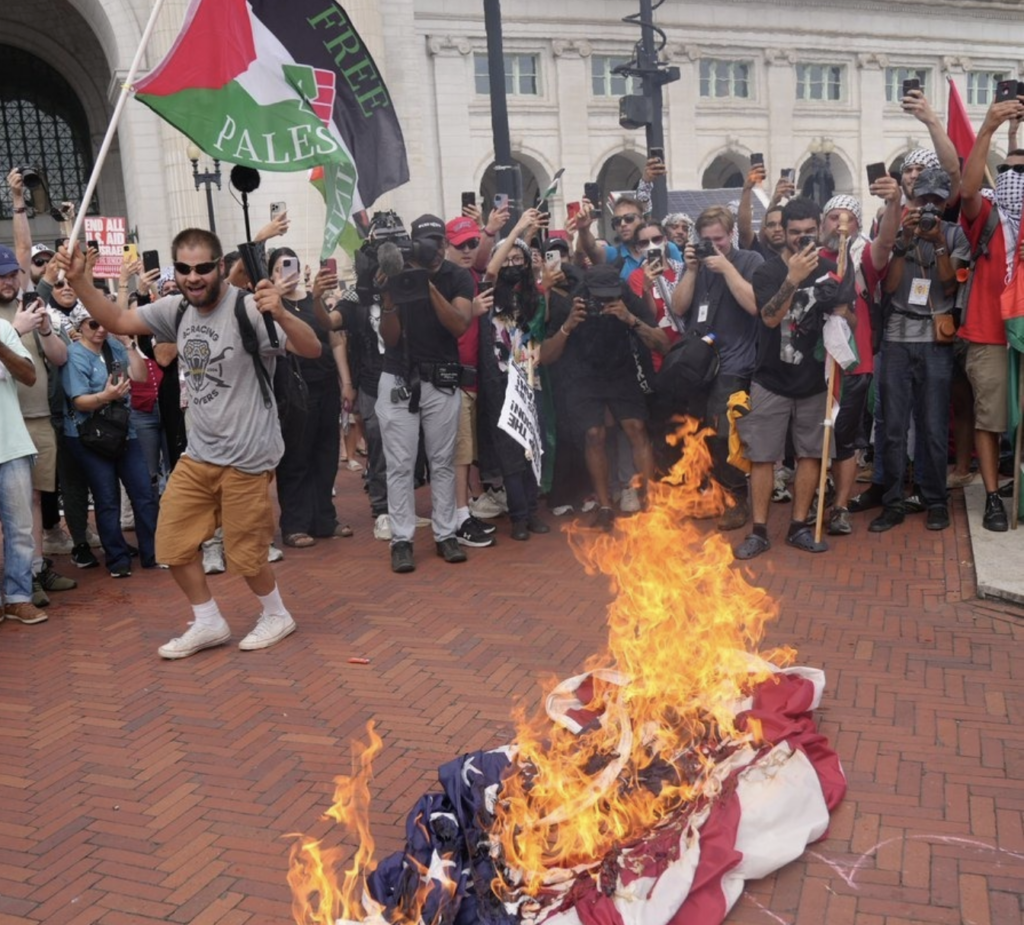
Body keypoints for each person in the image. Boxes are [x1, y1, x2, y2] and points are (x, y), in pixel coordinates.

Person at [57, 229, 322, 658]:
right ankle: (208, 620)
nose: (193, 277)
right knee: (173, 544)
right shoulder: (177, 309)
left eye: (202, 268)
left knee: (246, 555)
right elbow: (119, 321)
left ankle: (277, 614)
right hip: (199, 455)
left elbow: (311, 349)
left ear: (220, 266)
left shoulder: (248, 308)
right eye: (183, 268)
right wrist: (80, 281)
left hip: (248, 456)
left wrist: (282, 312)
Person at [734, 197, 856, 559]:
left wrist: (840, 312)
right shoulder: (767, 271)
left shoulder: (834, 267)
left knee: (810, 454)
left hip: (815, 380)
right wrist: (794, 278)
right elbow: (770, 317)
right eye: (795, 232)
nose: (802, 238)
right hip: (770, 378)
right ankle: (758, 531)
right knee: (762, 456)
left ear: (819, 228)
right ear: (783, 232)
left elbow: (851, 320)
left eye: (809, 231)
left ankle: (799, 525)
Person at [868, 168, 969, 534]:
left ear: (945, 203)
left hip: (935, 340)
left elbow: (949, 284)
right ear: (913, 200)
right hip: (897, 338)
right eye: (924, 199)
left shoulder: (954, 235)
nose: (929, 208)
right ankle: (893, 502)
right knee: (894, 427)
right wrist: (903, 242)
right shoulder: (898, 231)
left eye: (937, 201)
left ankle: (935, 500)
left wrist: (938, 241)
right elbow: (891, 286)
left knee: (934, 425)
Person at [376, 215, 475, 573]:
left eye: (438, 241)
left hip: (441, 379)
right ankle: (401, 540)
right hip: (399, 376)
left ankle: (446, 534)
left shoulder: (456, 276)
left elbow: (459, 324)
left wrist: (427, 284)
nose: (434, 249)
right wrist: (391, 294)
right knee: (400, 464)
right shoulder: (398, 273)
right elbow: (390, 337)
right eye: (426, 242)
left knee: (443, 460)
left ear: (445, 242)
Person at [540, 264, 668, 530]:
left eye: (610, 297)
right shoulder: (572, 302)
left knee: (636, 427)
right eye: (599, 298)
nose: (604, 303)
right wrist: (568, 326)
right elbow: (546, 356)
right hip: (583, 375)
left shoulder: (626, 298)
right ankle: (605, 504)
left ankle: (651, 500)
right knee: (594, 434)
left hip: (621, 371)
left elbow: (662, 343)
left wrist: (630, 319)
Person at [670, 205, 763, 529]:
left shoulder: (749, 260)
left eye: (719, 239)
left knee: (725, 434)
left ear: (731, 234)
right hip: (698, 363)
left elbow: (755, 305)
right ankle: (713, 494)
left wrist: (726, 267)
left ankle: (737, 499)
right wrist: (691, 270)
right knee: (699, 431)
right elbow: (678, 306)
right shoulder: (696, 265)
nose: (713, 245)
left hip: (735, 362)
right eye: (706, 240)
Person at [956, 92, 1024, 531]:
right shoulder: (988, 217)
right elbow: (965, 191)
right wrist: (989, 127)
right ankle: (993, 498)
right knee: (991, 419)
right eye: (1009, 172)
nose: (1016, 178)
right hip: (989, 336)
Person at [818, 183, 901, 536]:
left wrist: (894, 203)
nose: (840, 224)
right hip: (815, 365)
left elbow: (886, 242)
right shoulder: (809, 256)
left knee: (845, 439)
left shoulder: (864, 255)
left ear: (857, 224)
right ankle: (815, 499)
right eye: (834, 217)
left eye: (848, 218)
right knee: (814, 438)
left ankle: (840, 507)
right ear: (822, 222)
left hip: (854, 363)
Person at [0, 242, 76, 605]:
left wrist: (45, 329)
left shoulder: (31, 306)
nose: (7, 281)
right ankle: (16, 580)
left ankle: (34, 571)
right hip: (7, 422)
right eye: (0, 276)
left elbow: (60, 359)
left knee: (34, 498)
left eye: (11, 274)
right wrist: (15, 329)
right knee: (12, 506)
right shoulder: (9, 320)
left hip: (38, 418)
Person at [61, 316, 159, 577]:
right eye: (93, 324)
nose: (101, 329)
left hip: (122, 430)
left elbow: (140, 376)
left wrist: (128, 343)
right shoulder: (74, 354)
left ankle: (153, 553)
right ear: (80, 326)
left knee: (143, 491)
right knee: (107, 497)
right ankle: (117, 559)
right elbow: (79, 401)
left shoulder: (114, 346)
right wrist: (106, 397)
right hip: (90, 434)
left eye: (105, 323)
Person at [478, 213, 551, 540]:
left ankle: (533, 512)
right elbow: (490, 272)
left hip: (530, 381)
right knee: (509, 452)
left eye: (517, 259)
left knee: (532, 446)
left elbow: (537, 335)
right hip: (500, 383)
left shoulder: (534, 299)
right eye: (506, 258)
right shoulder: (491, 296)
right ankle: (518, 517)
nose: (511, 264)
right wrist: (517, 231)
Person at [269, 246, 349, 547]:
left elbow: (335, 339)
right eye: (279, 268)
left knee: (326, 455)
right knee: (296, 458)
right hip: (293, 391)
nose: (285, 274)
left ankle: (324, 519)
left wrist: (346, 381)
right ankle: (295, 524)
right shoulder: (271, 306)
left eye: (290, 266)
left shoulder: (312, 300)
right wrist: (276, 295)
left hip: (326, 385)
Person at [0, 315, 47, 625]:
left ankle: (18, 598)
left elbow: (29, 376)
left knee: (20, 529)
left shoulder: (3, 328)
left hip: (12, 446)